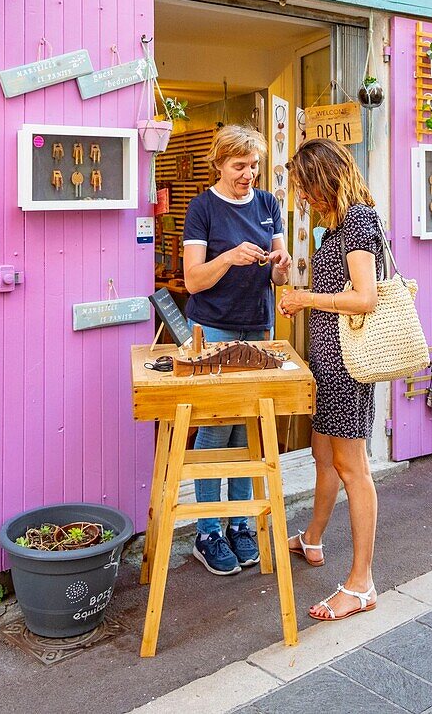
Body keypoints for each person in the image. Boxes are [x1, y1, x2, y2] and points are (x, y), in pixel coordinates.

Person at [278, 138, 382, 621]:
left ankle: (361, 584)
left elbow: (365, 299)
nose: (302, 198)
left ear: (325, 179)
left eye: (304, 186)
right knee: (324, 455)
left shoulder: (359, 219)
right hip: (328, 361)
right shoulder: (336, 226)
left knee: (352, 467)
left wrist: (305, 299)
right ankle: (313, 539)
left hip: (348, 364)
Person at [183, 125, 292, 575]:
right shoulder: (202, 207)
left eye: (253, 166)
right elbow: (192, 281)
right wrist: (228, 257)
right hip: (211, 329)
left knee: (249, 429)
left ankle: (241, 525)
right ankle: (208, 531)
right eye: (239, 166)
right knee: (215, 429)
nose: (248, 174)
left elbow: (279, 276)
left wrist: (281, 265)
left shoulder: (268, 204)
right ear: (220, 164)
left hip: (258, 327)